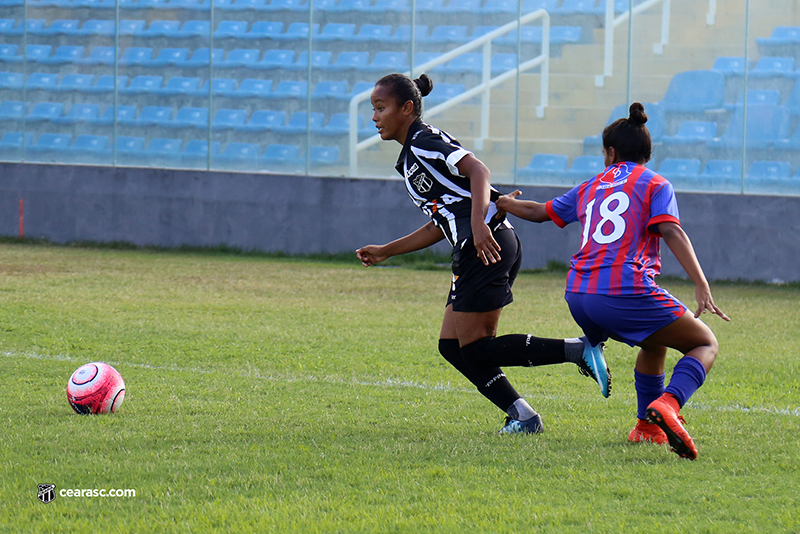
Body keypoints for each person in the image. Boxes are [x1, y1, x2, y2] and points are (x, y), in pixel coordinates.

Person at [355, 72, 611, 435]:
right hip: (475, 246)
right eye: (373, 109)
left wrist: (478, 224)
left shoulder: (425, 139)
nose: (375, 117)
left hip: (484, 245)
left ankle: (577, 351)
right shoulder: (412, 155)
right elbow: (440, 221)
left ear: (407, 108)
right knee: (452, 346)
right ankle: (522, 415)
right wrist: (387, 251)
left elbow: (479, 170)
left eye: (381, 108)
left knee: (476, 348)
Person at [496, 102, 729, 458]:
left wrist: (500, 201)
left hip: (577, 294)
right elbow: (670, 229)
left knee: (654, 342)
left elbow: (539, 212)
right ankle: (669, 404)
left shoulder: (591, 186)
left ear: (610, 152)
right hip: (624, 291)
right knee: (704, 344)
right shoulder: (655, 184)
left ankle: (647, 428)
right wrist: (700, 282)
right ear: (647, 154)